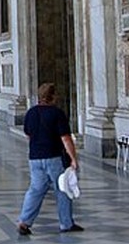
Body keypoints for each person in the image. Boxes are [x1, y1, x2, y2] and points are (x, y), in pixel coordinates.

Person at [17, 81, 83, 235]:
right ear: (53, 96)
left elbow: (28, 134)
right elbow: (66, 139)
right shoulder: (56, 113)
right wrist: (73, 158)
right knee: (62, 189)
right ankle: (66, 223)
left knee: (35, 189)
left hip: (35, 157)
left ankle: (24, 221)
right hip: (53, 156)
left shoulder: (31, 113)